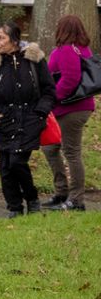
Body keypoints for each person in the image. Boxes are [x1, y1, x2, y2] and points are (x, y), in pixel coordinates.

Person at [0, 22, 55, 218]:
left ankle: (31, 198)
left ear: (14, 40)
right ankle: (14, 206)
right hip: (5, 121)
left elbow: (49, 90)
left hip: (30, 120)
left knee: (16, 161)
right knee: (5, 167)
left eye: (1, 38)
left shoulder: (34, 60)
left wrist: (40, 113)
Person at [43, 15, 93, 211]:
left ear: (62, 30)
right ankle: (62, 192)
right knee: (50, 148)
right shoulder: (82, 49)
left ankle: (76, 200)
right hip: (74, 107)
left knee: (71, 152)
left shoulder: (67, 50)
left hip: (71, 109)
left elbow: (70, 79)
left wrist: (53, 98)